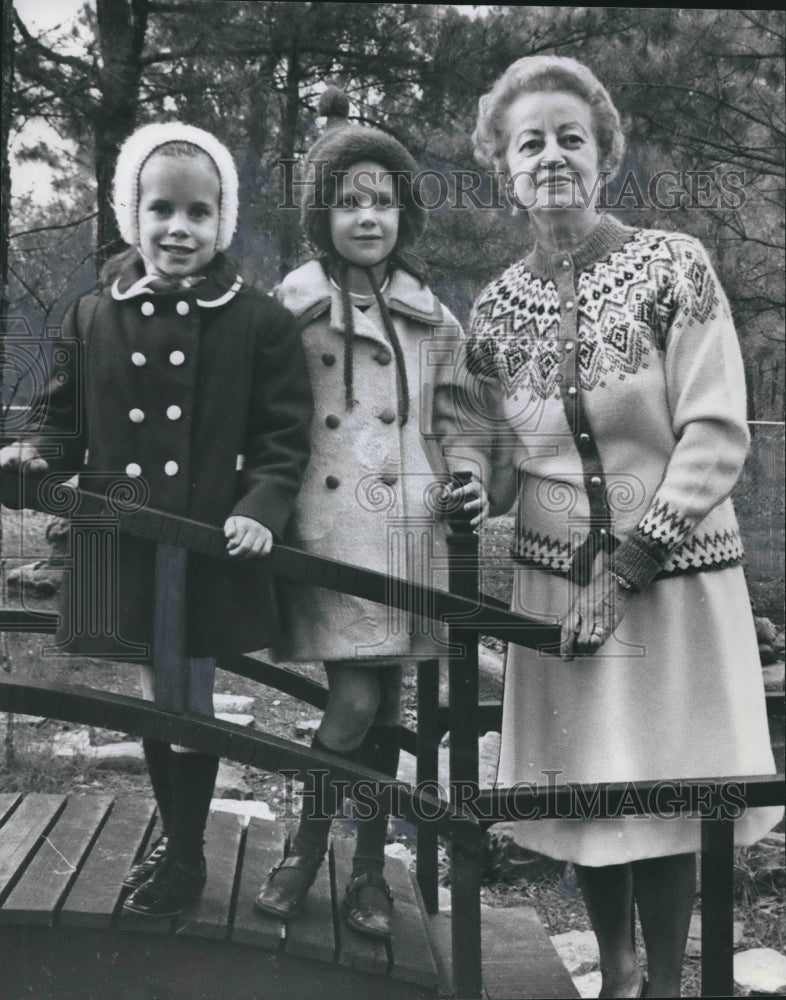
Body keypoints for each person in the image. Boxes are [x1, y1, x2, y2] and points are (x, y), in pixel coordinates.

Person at [467, 55, 782, 999]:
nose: (553, 156)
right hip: (553, 582)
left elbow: (717, 431)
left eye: (573, 137)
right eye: (532, 143)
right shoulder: (491, 309)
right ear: (504, 168)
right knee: (590, 789)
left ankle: (673, 983)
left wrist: (632, 563)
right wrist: (470, 486)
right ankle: (621, 976)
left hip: (676, 582)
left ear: (605, 155)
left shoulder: (673, 265)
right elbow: (491, 446)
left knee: (673, 791)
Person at [0, 122, 313, 918]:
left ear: (223, 222)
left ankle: (183, 855)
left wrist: (260, 509)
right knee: (152, 691)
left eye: (199, 213)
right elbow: (60, 420)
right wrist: (35, 454)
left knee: (187, 694)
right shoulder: (91, 315)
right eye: (161, 209)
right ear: (131, 214)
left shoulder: (262, 322)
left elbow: (283, 441)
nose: (179, 229)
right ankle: (178, 844)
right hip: (125, 541)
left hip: (204, 543)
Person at [254, 87, 486, 940]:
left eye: (382, 200)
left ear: (404, 214)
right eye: (348, 200)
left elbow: (461, 421)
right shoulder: (289, 309)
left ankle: (366, 875)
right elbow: (266, 419)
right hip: (328, 532)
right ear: (323, 214)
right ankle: (307, 855)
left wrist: (466, 478)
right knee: (355, 704)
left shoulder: (436, 318)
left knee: (386, 708)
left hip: (408, 534)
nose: (367, 216)